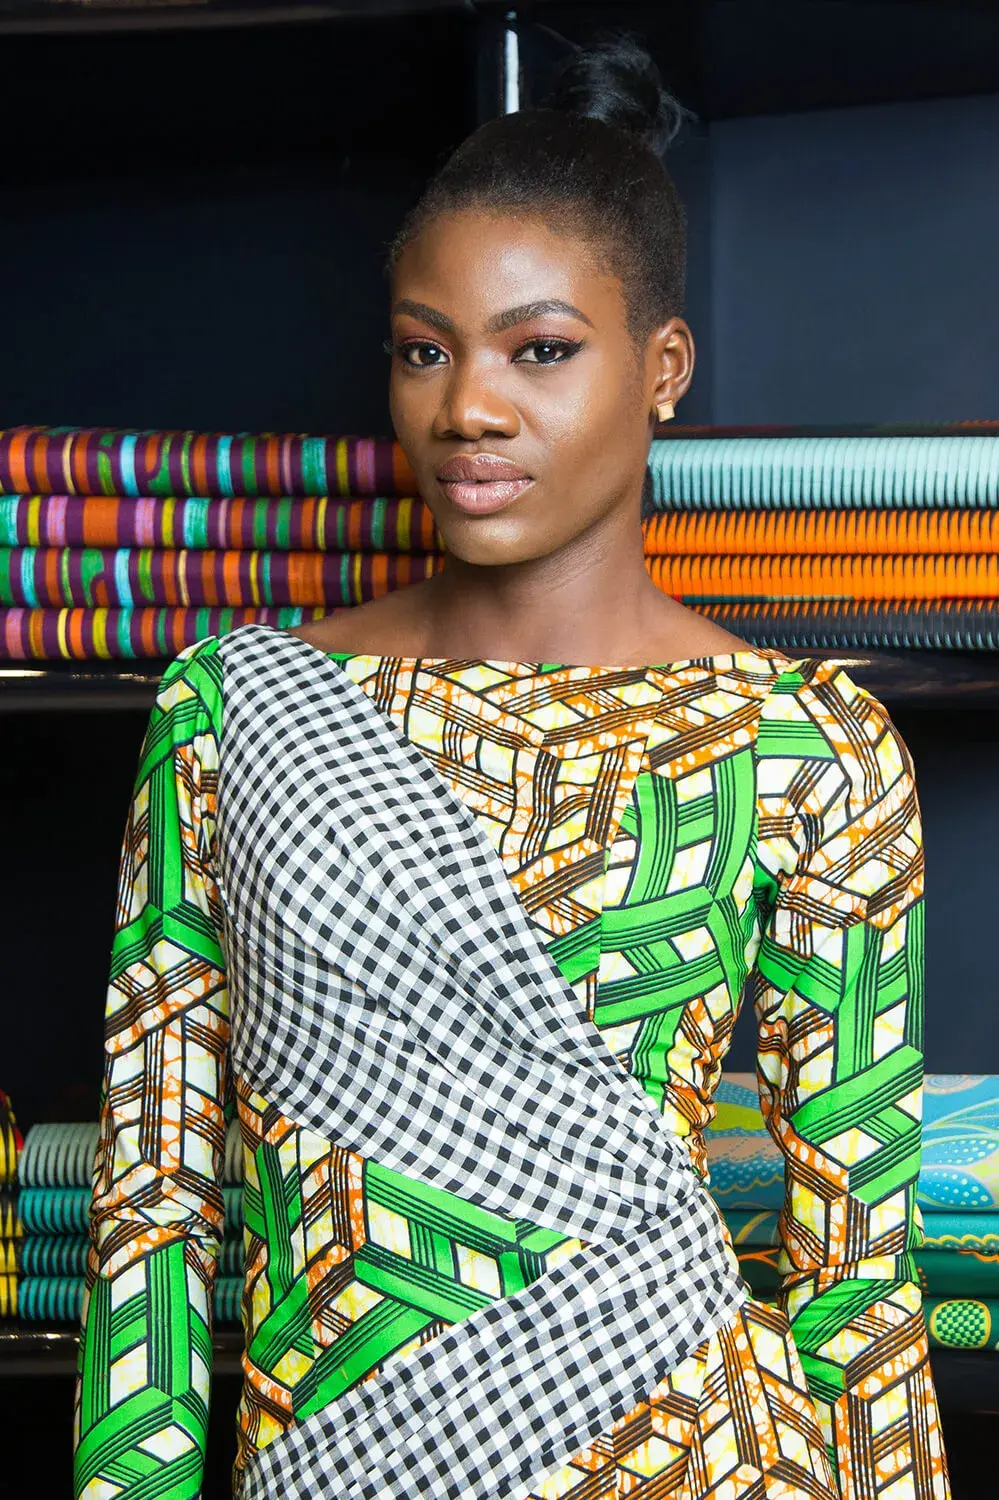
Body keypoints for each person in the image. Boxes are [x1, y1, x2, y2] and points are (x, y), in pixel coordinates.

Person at [74, 36, 950, 1500]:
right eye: (426, 350)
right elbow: (150, 1207)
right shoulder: (236, 713)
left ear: (664, 370)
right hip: (338, 1464)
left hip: (693, 1453)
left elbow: (858, 1278)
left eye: (539, 350)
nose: (468, 407)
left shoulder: (806, 744)